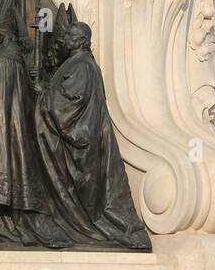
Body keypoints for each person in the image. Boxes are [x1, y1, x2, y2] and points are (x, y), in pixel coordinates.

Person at [32, 22, 150, 250]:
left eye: (71, 34)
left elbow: (70, 104)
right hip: (84, 136)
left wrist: (44, 93)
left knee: (82, 196)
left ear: (83, 41)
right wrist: (46, 87)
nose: (65, 37)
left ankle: (83, 225)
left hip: (82, 140)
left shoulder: (83, 66)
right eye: (67, 33)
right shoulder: (77, 64)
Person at [0, 1, 69, 246]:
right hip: (9, 132)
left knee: (3, 180)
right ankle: (5, 226)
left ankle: (6, 228)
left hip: (2, 137)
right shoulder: (12, 58)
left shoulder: (3, 61)